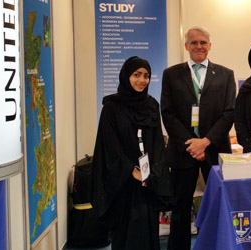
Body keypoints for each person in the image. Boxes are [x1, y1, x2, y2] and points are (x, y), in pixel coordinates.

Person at [161, 27, 236, 250]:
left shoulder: (225, 74)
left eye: (203, 42)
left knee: (216, 206)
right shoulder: (171, 74)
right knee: (180, 209)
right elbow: (168, 113)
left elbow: (229, 113)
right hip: (183, 151)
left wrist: (205, 141)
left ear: (210, 45)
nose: (199, 46)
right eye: (193, 42)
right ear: (186, 46)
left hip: (214, 149)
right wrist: (192, 144)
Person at [92, 56, 172, 250]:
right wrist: (131, 171)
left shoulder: (152, 104)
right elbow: (109, 146)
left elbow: (157, 143)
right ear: (126, 76)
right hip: (123, 181)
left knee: (148, 229)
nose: (142, 80)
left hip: (147, 181)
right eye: (136, 75)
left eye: (146, 76)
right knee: (126, 231)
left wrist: (153, 174)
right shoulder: (112, 107)